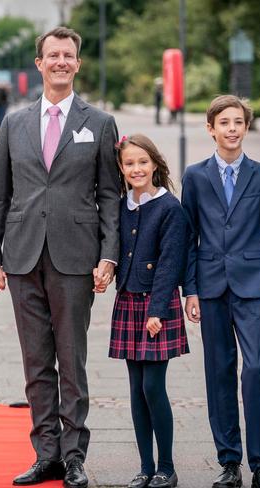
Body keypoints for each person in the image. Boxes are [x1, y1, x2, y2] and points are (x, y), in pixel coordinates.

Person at [0, 26, 120, 488]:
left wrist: (109, 255)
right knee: (36, 362)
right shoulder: (14, 123)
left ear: (77, 64)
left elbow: (110, 196)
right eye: (52, 55)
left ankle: (74, 455)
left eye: (68, 56)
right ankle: (46, 454)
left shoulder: (99, 123)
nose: (60, 62)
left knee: (72, 359)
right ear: (38, 64)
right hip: (21, 257)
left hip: (76, 257)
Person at [182, 95, 260, 488]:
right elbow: (189, 236)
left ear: (246, 126)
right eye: (224, 122)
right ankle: (229, 462)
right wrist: (189, 289)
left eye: (238, 122)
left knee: (254, 370)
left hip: (253, 286)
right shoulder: (195, 176)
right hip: (209, 286)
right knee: (219, 372)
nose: (232, 129)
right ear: (211, 129)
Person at [109, 134, 189, 488]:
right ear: (121, 169)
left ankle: (167, 467)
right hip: (128, 300)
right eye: (129, 164)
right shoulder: (121, 205)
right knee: (136, 388)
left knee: (154, 387)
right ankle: (145, 466)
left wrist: (157, 310)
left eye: (142, 162)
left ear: (155, 164)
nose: (136, 169)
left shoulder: (170, 207)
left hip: (158, 306)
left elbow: (171, 264)